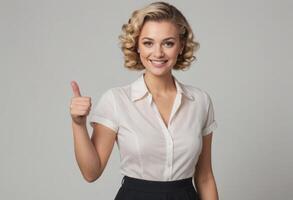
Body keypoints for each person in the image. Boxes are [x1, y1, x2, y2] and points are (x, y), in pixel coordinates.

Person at [70, 2, 219, 200]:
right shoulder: (116, 100)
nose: (158, 53)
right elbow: (91, 173)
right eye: (148, 42)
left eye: (168, 43)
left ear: (181, 46)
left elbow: (205, 177)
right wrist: (78, 124)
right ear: (137, 46)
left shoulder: (200, 101)